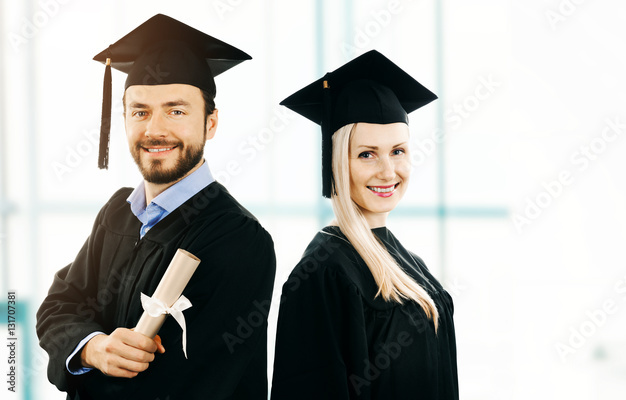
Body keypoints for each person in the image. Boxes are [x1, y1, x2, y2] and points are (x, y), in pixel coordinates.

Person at [35, 14, 276, 399]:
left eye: (176, 110)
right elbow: (59, 305)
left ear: (211, 123)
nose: (154, 130)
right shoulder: (117, 212)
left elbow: (189, 383)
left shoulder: (238, 238)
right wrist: (93, 348)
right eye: (140, 111)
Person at [270, 50, 459, 399]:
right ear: (337, 162)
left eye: (398, 151)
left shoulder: (409, 261)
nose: (388, 171)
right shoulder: (324, 272)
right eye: (366, 154)